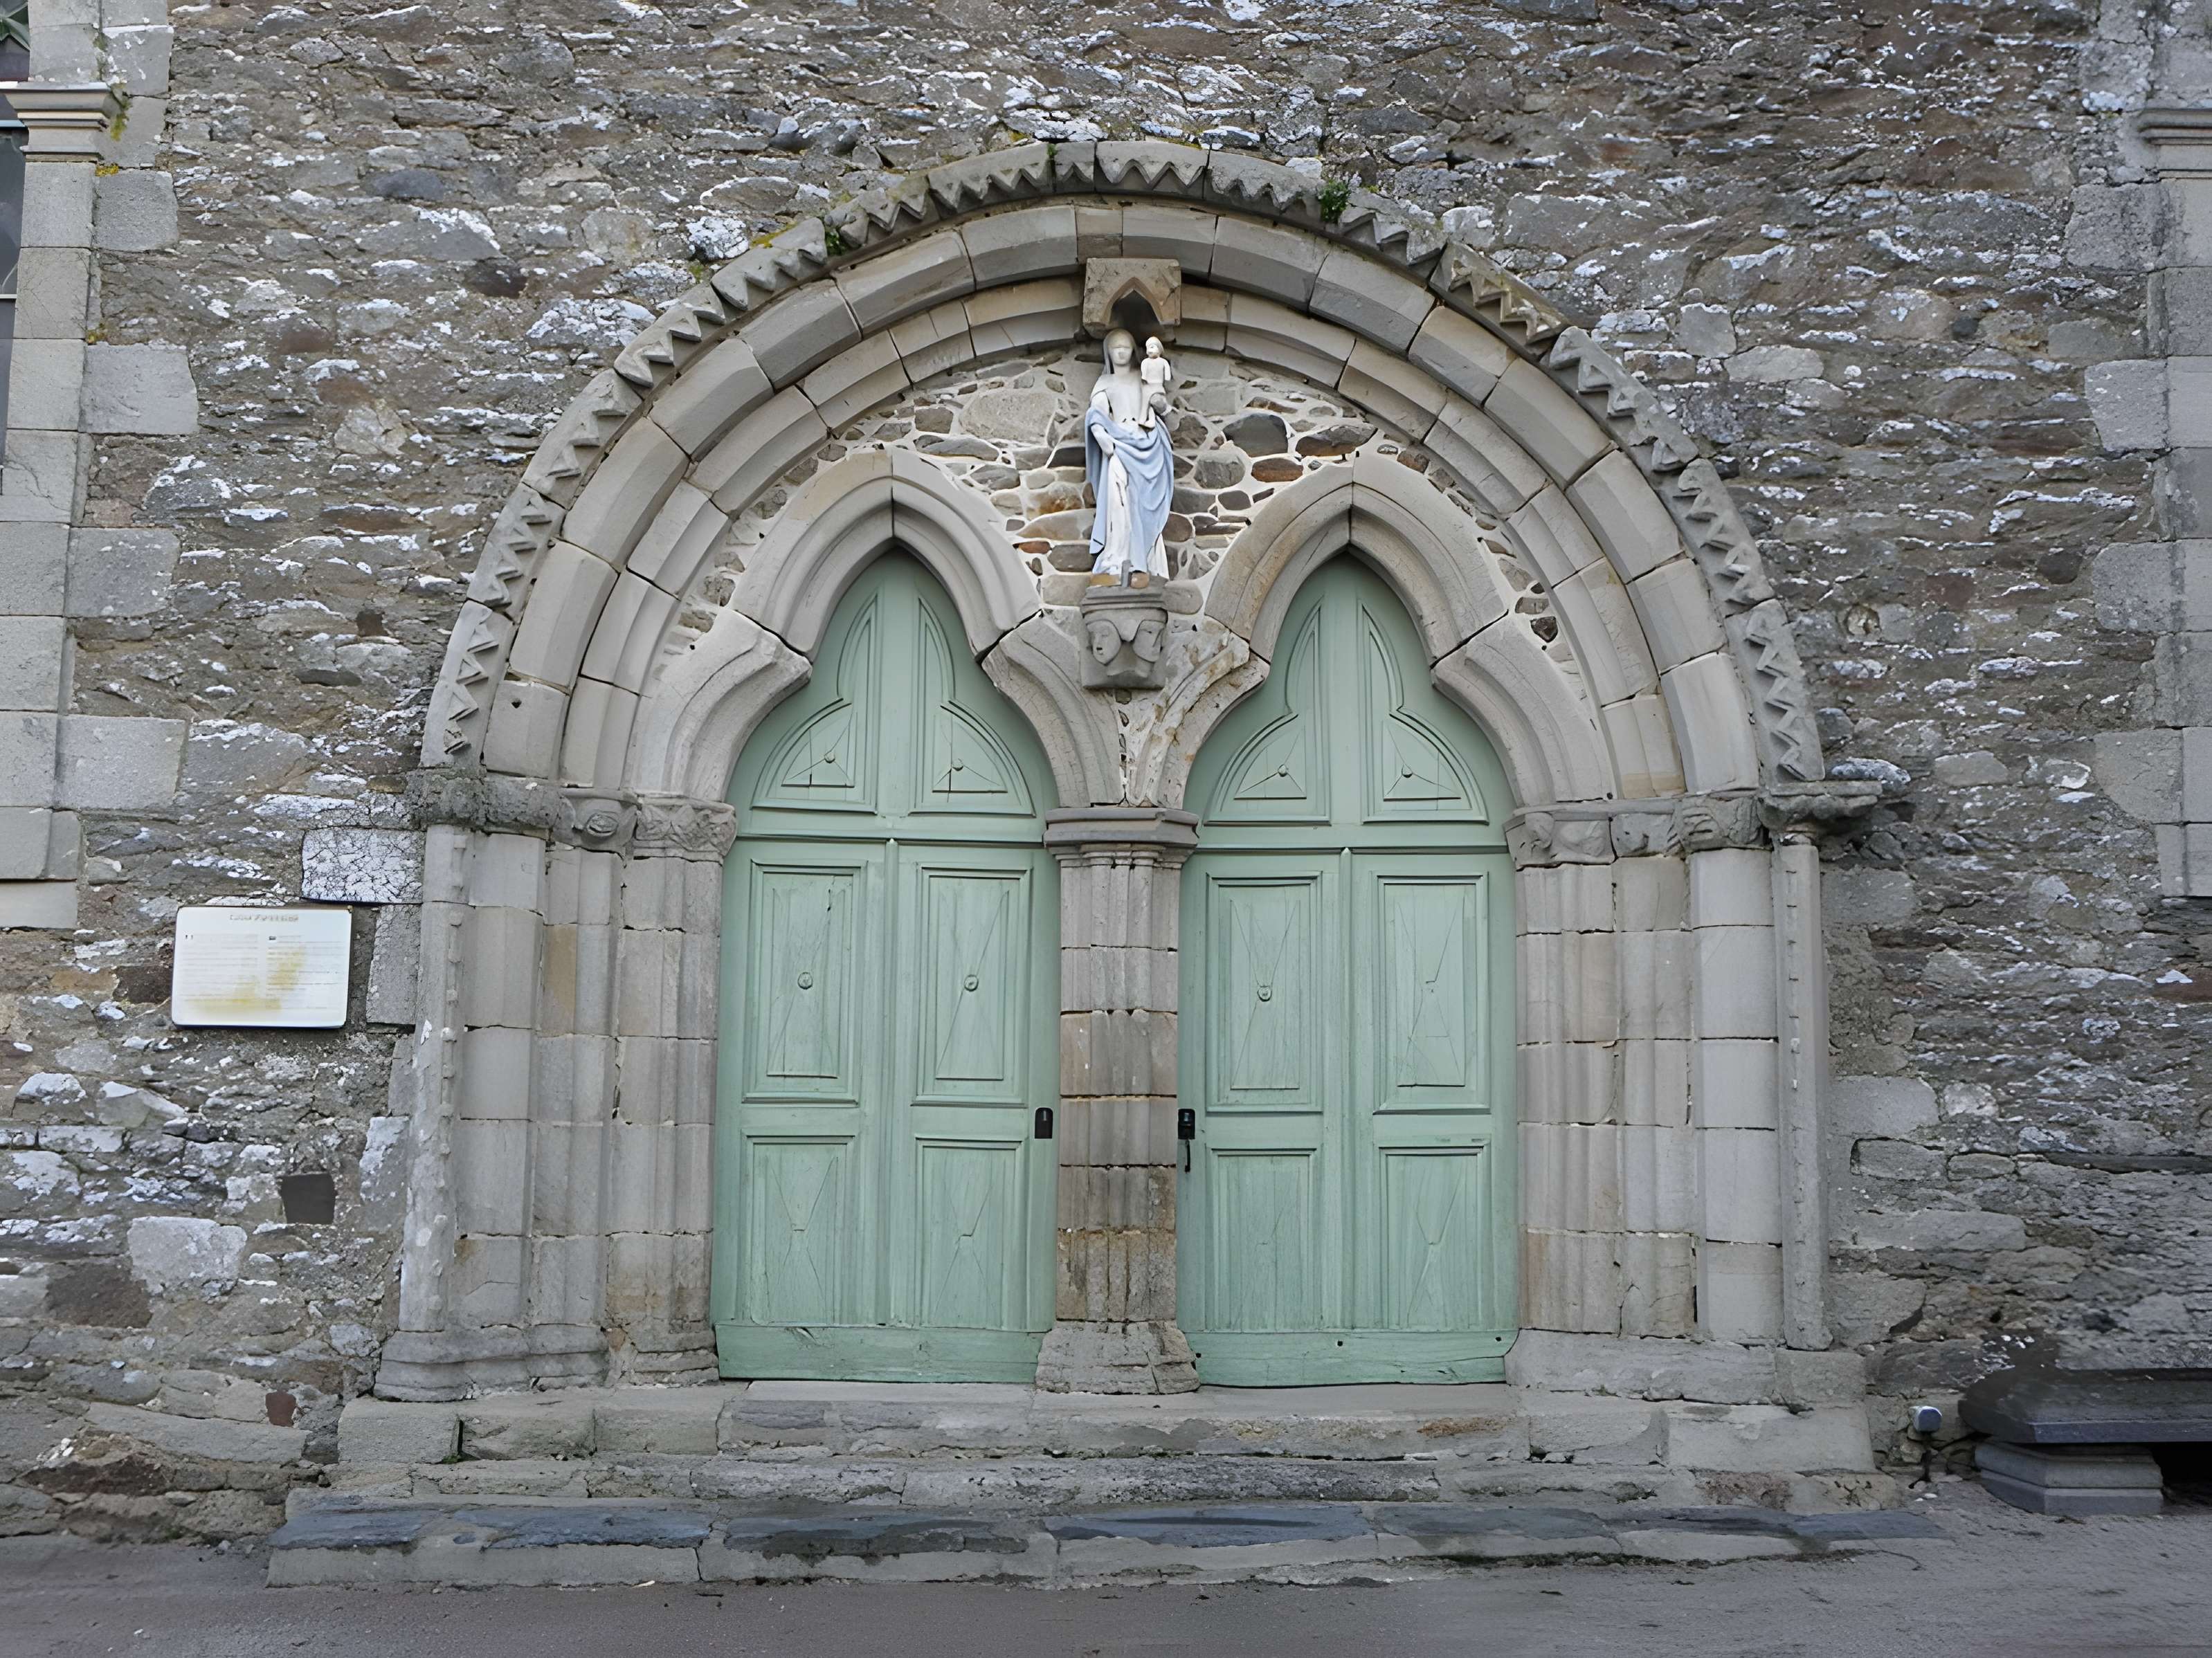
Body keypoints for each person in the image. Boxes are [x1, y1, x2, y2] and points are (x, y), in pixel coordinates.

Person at [1085, 328, 1174, 587]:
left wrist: (1162, 406)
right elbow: (1097, 414)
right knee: (1118, 500)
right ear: (1109, 353)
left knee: (1144, 504)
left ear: (1134, 350)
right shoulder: (1105, 383)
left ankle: (1146, 563)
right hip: (1119, 444)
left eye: (1126, 347)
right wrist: (1101, 433)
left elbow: (1161, 406)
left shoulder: (1143, 377)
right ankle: (1116, 559)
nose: (1122, 352)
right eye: (1116, 347)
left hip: (1148, 444)